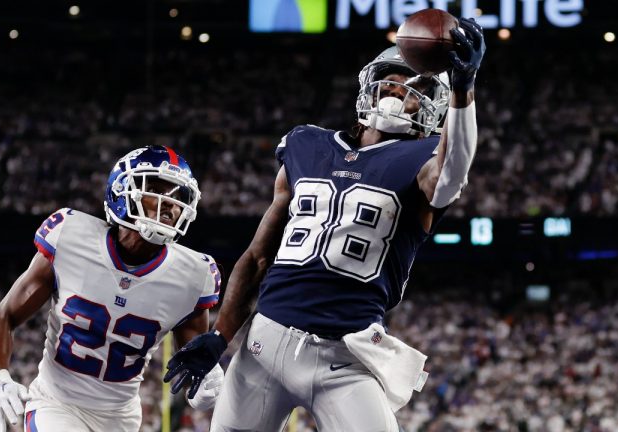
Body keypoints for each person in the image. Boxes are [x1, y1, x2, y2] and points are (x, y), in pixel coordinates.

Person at [165, 16, 485, 432]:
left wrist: (463, 90)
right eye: (390, 81)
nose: (397, 90)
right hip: (264, 343)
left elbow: (454, 170)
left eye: (413, 88)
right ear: (367, 87)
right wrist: (220, 336)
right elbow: (258, 257)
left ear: (432, 107)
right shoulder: (307, 145)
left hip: (345, 358)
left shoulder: (423, 162)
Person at [0, 146, 225, 432]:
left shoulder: (194, 275)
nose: (170, 204)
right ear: (123, 192)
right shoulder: (71, 236)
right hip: (56, 403)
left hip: (121, 416)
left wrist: (207, 373)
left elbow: (193, 354)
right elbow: (4, 316)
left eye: (178, 196)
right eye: (158, 190)